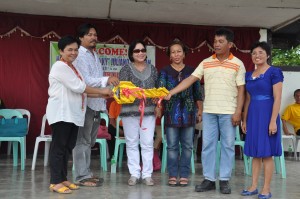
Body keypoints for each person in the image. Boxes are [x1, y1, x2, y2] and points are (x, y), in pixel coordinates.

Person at [165, 28, 245, 194]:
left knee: (228, 146)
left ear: (230, 44)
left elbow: (241, 90)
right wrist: (171, 92)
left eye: (221, 41)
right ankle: (209, 179)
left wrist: (238, 112)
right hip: (209, 111)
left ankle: (224, 180)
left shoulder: (238, 64)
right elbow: (190, 80)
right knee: (207, 146)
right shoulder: (206, 62)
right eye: (215, 41)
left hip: (229, 112)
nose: (216, 44)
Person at [46, 36, 113, 194]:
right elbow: (80, 87)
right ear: (61, 51)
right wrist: (102, 91)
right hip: (62, 113)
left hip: (73, 114)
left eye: (76, 50)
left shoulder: (73, 68)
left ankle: (63, 178)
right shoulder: (59, 67)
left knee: (67, 147)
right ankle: (55, 181)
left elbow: (83, 92)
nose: (74, 53)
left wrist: (103, 96)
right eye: (69, 50)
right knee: (59, 148)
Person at [72, 23, 119, 187]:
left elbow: (96, 81)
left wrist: (106, 92)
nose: (93, 37)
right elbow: (85, 81)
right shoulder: (80, 55)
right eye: (89, 34)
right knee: (82, 141)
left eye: (95, 35)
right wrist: (106, 80)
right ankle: (81, 176)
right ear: (81, 37)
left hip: (97, 104)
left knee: (89, 142)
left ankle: (86, 173)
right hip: (86, 104)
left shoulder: (94, 54)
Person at [157, 39, 202, 186]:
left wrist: (200, 109)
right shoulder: (164, 71)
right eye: (173, 52)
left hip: (189, 112)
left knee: (188, 145)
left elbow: (197, 93)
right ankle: (172, 174)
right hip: (171, 112)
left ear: (184, 54)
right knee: (172, 146)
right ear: (169, 55)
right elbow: (160, 93)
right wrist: (158, 107)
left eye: (179, 51)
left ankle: (184, 174)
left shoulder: (192, 71)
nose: (176, 55)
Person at [241, 41, 283, 199]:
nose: (257, 56)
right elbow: (247, 99)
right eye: (254, 53)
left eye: (260, 52)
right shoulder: (248, 75)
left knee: (266, 154)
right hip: (253, 116)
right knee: (255, 153)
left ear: (268, 55)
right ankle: (253, 186)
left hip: (268, 115)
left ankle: (266, 188)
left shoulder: (274, 72)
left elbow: (278, 98)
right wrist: (244, 120)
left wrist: (273, 121)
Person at [119, 40, 158, 186]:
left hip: (148, 112)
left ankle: (147, 174)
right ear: (131, 54)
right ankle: (134, 173)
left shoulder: (153, 69)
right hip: (130, 112)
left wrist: (157, 103)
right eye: (137, 51)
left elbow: (157, 91)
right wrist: (140, 94)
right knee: (131, 142)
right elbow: (124, 91)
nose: (140, 53)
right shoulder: (125, 69)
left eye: (142, 50)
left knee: (147, 143)